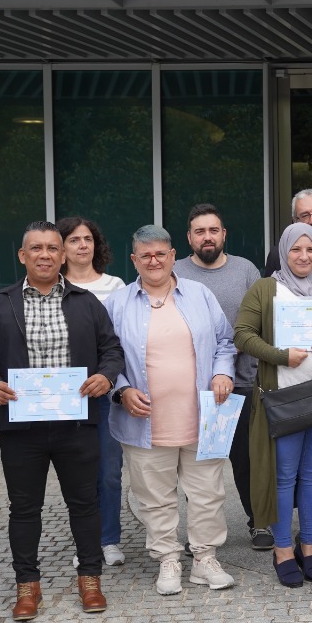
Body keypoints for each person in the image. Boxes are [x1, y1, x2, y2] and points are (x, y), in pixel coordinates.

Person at [0, 221, 124, 620]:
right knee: (24, 509)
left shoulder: (86, 303)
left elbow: (112, 349)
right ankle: (27, 585)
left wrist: (106, 376)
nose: (45, 255)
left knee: (84, 504)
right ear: (23, 256)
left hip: (76, 424)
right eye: (36, 248)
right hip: (22, 428)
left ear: (63, 254)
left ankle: (90, 579)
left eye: (53, 248)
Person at [105, 225, 239, 596]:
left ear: (172, 256)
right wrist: (122, 390)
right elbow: (104, 357)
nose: (154, 261)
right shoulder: (116, 304)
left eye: (160, 254)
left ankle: (205, 559)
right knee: (155, 498)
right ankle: (167, 559)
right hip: (144, 421)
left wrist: (223, 373)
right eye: (145, 255)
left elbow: (225, 341)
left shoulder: (199, 294)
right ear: (134, 260)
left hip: (203, 417)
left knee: (207, 494)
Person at [235, 223, 312, 586]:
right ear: (283, 252)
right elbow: (242, 334)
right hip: (283, 401)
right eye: (296, 250)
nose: (304, 257)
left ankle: (310, 548)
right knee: (284, 476)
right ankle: (283, 550)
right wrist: (280, 355)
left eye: (311, 250)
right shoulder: (265, 289)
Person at [173, 204, 265, 549]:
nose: (207, 237)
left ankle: (260, 523)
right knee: (199, 465)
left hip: (243, 382)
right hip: (193, 386)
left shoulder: (245, 270)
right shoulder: (176, 272)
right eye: (200, 231)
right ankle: (201, 532)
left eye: (213, 230)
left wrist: (238, 343)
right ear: (189, 238)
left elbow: (262, 319)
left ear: (224, 234)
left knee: (248, 460)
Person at [58, 216, 129, 568]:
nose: (82, 245)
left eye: (87, 238)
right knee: (78, 474)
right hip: (64, 396)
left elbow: (121, 341)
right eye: (73, 240)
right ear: (61, 248)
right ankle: (86, 543)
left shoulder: (115, 286)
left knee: (109, 472)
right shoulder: (51, 286)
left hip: (104, 393)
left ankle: (109, 539)